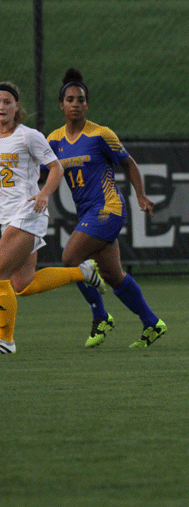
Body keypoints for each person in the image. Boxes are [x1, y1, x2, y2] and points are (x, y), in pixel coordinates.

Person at [47, 68, 167, 349]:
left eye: (81, 99)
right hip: (87, 214)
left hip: (108, 208)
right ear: (61, 104)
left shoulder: (100, 134)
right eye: (70, 99)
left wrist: (140, 195)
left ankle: (101, 316)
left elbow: (128, 163)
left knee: (70, 258)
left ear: (87, 104)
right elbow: (43, 174)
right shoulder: (53, 140)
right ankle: (152, 323)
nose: (75, 103)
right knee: (113, 276)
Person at [0, 81, 105, 354]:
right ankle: (82, 272)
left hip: (27, 213)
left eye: (7, 102)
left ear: (17, 107)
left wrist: (44, 194)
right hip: (4, 217)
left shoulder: (28, 136)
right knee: (22, 284)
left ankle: (5, 341)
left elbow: (56, 168)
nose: (1, 106)